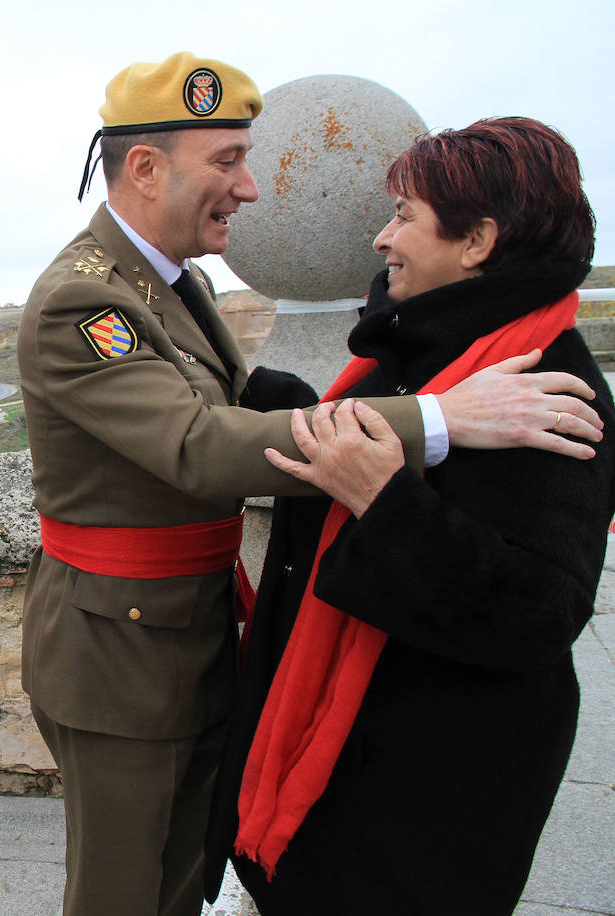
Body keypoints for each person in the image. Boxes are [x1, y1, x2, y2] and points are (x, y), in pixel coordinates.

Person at [17, 54, 605, 916]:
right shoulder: (86, 301)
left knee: (178, 877)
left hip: (190, 632)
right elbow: (201, 445)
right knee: (125, 893)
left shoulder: (178, 283)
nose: (250, 189)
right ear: (145, 168)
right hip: (120, 650)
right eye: (227, 163)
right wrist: (442, 419)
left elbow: (237, 398)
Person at [205, 117, 615, 915]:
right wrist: (269, 399)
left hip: (427, 785)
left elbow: (538, 612)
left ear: (478, 241)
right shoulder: (428, 348)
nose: (381, 236)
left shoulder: (548, 393)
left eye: (404, 215)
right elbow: (379, 431)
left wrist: (384, 501)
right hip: (360, 754)